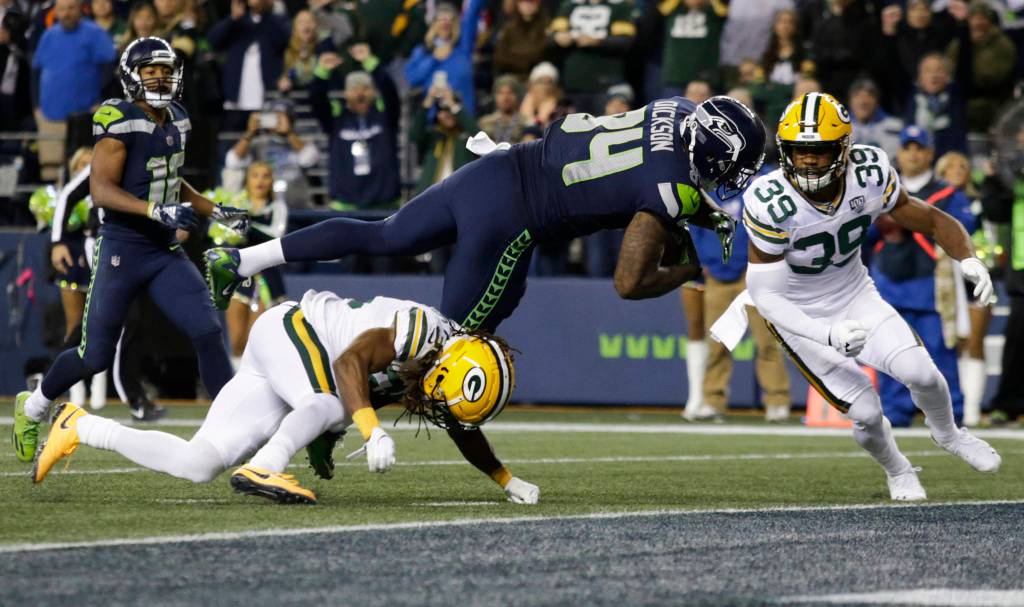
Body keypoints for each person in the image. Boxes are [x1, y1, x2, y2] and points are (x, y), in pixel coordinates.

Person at [206, 95, 763, 334]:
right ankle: (343, 401)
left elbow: (645, 164)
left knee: (383, 235)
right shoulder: (674, 189)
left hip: (497, 168)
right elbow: (627, 282)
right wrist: (686, 271)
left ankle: (243, 258)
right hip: (514, 221)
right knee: (451, 340)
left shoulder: (677, 110)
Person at [714, 92, 1000, 501]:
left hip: (853, 293)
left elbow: (931, 218)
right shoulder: (768, 201)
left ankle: (950, 434)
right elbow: (766, 297)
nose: (808, 160)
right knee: (865, 413)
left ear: (844, 149)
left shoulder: (868, 173)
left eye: (820, 150)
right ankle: (898, 470)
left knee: (922, 373)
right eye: (799, 151)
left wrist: (967, 259)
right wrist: (827, 334)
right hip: (798, 312)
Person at [31, 290, 537, 506]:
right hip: (293, 328)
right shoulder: (419, 330)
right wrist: (369, 427)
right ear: (447, 360)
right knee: (329, 403)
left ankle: (80, 425)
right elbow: (347, 365)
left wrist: (505, 479)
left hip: (289, 362)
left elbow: (461, 427)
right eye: (438, 395)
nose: (433, 406)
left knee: (198, 463)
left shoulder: (450, 367)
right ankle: (266, 465)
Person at [10, 37, 249, 464]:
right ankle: (32, 407)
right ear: (131, 76)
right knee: (94, 355)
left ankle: (237, 430)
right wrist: (155, 210)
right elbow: (101, 191)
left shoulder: (177, 117)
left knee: (208, 331)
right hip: (122, 246)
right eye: (150, 70)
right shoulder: (116, 118)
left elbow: (173, 182)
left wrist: (216, 210)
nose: (159, 76)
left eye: (165, 69)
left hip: (161, 251)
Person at [869, 125, 974, 428]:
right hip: (889, 282)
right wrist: (882, 225)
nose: (913, 154)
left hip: (930, 287)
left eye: (919, 148)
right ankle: (894, 413)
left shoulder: (946, 193)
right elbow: (860, 232)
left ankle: (950, 415)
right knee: (891, 356)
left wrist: (918, 222)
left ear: (930, 154)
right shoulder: (881, 190)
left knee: (939, 354)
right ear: (898, 153)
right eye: (907, 147)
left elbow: (968, 225)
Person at [208, 161, 288, 369]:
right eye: (255, 175)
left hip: (266, 277)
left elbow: (275, 236)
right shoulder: (236, 205)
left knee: (258, 340)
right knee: (236, 341)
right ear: (247, 180)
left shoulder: (277, 208)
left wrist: (245, 225)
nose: (260, 180)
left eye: (265, 175)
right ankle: (237, 384)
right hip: (239, 277)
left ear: (272, 181)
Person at [31, 0, 117, 180]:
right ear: (56, 11)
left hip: (85, 115)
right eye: (62, 9)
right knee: (50, 172)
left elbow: (109, 67)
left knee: (83, 171)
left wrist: (98, 98)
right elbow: (36, 70)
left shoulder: (95, 33)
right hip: (50, 114)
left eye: (71, 8)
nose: (67, 13)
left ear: (81, 9)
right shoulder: (49, 35)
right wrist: (36, 105)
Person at [935, 150, 990, 427]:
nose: (958, 169)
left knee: (974, 342)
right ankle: (953, 408)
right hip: (942, 276)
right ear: (941, 172)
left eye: (963, 165)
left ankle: (972, 408)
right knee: (951, 343)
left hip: (973, 273)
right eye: (951, 166)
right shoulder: (930, 201)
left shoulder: (978, 201)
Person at [311, 43, 401, 210]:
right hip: (345, 207)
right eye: (354, 89)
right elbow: (317, 100)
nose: (360, 94)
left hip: (385, 206)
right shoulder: (336, 119)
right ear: (345, 94)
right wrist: (322, 72)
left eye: (365, 88)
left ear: (373, 92)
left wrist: (370, 62)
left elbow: (390, 92)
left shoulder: (385, 116)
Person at [849, 78, 903, 161]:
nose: (863, 101)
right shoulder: (838, 128)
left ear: (877, 101)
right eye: (858, 95)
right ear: (850, 101)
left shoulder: (896, 127)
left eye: (869, 95)